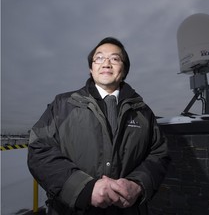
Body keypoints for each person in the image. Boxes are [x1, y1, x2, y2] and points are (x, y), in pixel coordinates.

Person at [27, 37, 170, 215]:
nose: (107, 63)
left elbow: (159, 154)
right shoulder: (62, 105)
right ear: (91, 68)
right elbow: (39, 149)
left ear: (123, 70)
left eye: (115, 59)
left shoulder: (143, 112)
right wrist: (83, 188)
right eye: (99, 58)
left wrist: (139, 184)